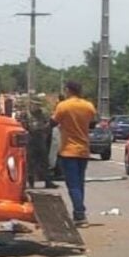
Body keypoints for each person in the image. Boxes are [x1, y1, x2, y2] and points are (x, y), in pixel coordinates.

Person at [51, 81, 96, 227]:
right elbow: (92, 123)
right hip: (83, 149)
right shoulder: (88, 106)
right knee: (80, 183)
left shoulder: (63, 106)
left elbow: (52, 122)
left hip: (68, 150)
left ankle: (79, 214)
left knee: (73, 185)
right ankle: (79, 213)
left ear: (68, 90)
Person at [25, 98, 58, 189]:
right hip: (30, 139)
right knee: (30, 161)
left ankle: (48, 181)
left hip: (40, 138)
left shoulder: (43, 114)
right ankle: (31, 182)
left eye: (38, 105)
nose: (36, 107)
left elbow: (49, 124)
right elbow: (23, 125)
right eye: (35, 105)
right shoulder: (26, 114)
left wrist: (45, 130)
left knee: (44, 160)